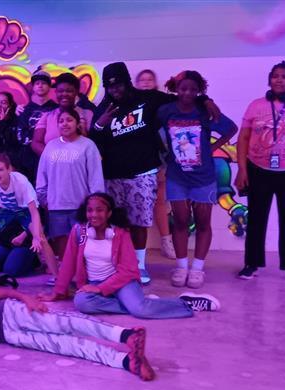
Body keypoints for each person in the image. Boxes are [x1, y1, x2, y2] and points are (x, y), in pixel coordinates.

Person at [89, 62, 221, 284]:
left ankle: (139, 266)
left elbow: (182, 99)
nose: (115, 90)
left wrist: (205, 99)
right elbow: (93, 143)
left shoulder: (149, 99)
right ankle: (122, 263)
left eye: (119, 85)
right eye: (110, 87)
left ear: (127, 82)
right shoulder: (103, 109)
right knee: (119, 224)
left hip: (143, 173)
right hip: (112, 175)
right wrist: (101, 125)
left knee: (140, 222)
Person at [0, 266, 156, 381]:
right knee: (64, 345)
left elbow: (2, 292)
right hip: (10, 336)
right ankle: (125, 361)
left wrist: (27, 299)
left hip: (11, 313)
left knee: (66, 323)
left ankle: (125, 336)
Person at [42, 193, 221, 318]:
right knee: (82, 303)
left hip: (121, 282)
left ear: (109, 213)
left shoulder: (120, 234)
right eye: (90, 210)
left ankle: (186, 303)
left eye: (99, 210)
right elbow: (68, 264)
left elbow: (128, 271)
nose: (94, 214)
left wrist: (101, 289)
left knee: (141, 311)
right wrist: (58, 291)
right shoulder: (79, 232)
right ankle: (140, 304)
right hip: (93, 284)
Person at [235, 61, 285, 285]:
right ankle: (251, 264)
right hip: (258, 170)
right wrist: (242, 169)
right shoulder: (255, 105)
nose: (279, 80)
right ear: (269, 80)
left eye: (284, 76)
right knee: (256, 219)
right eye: (275, 76)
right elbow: (242, 138)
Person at [158, 70, 238, 288]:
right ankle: (182, 266)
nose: (188, 93)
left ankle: (197, 269)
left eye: (193, 89)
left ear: (199, 91)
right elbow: (153, 131)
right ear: (176, 89)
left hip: (204, 178)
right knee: (181, 221)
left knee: (203, 223)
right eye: (184, 88)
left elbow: (231, 128)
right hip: (177, 177)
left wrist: (211, 147)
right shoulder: (166, 111)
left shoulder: (204, 110)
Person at [36, 108, 104, 259]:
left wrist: (94, 203)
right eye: (61, 121)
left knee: (82, 245)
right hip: (56, 206)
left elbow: (95, 177)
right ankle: (63, 276)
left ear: (77, 123)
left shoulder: (88, 145)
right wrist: (44, 199)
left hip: (80, 206)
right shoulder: (50, 146)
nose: (65, 124)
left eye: (69, 120)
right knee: (61, 246)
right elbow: (42, 176)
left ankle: (80, 275)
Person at [136, 69, 177, 260]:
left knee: (160, 201)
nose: (145, 82)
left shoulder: (163, 100)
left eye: (149, 79)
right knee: (136, 204)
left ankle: (166, 241)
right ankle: (133, 248)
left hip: (158, 158)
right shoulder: (131, 102)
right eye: (142, 79)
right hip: (137, 161)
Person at [31, 72, 94, 155]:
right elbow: (36, 143)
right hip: (53, 164)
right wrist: (55, 157)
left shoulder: (88, 114)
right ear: (56, 92)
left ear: (76, 92)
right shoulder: (47, 116)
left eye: (69, 91)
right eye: (60, 91)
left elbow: (92, 142)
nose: (64, 94)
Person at [14, 69, 56, 183]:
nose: (40, 86)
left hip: (51, 157)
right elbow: (20, 135)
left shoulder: (56, 109)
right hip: (28, 160)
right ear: (33, 87)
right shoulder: (24, 110)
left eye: (44, 83)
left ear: (49, 86)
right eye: (37, 83)